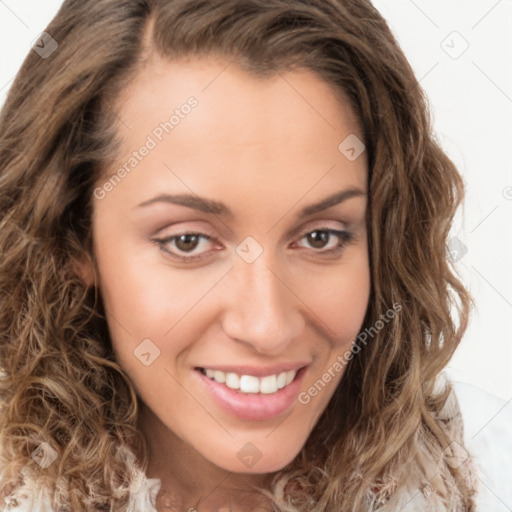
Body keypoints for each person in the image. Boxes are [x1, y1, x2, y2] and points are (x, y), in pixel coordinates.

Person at [0, 0, 479, 510]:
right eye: (188, 241)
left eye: (321, 237)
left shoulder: (491, 471)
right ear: (74, 237)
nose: (266, 326)